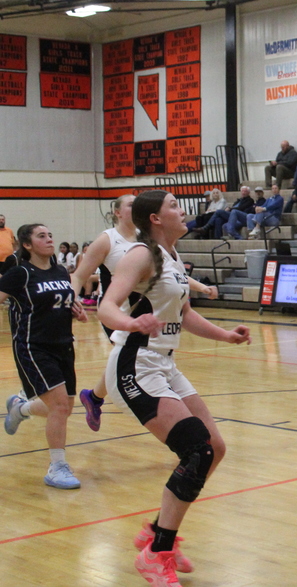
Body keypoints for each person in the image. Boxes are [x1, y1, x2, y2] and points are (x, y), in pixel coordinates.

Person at [98, 190, 250, 586]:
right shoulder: (140, 254)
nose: (182, 211)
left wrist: (226, 336)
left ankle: (155, 533)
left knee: (214, 447)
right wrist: (130, 323)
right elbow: (107, 306)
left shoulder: (173, 258)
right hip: (135, 364)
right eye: (173, 206)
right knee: (196, 447)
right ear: (155, 219)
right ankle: (157, 552)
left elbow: (182, 315)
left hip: (164, 362)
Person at [72, 194, 219, 434]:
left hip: (151, 309)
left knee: (137, 356)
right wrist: (72, 301)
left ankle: (95, 396)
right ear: (118, 212)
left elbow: (171, 274)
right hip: (122, 310)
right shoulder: (108, 240)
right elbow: (79, 275)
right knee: (132, 355)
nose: (135, 205)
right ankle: (110, 398)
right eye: (129, 204)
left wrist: (199, 287)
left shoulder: (155, 243)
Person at [2, 223, 89, 489]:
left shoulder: (61, 270)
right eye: (42, 236)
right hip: (33, 346)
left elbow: (63, 300)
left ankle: (21, 408)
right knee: (60, 406)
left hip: (63, 344)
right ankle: (57, 466)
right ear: (27, 244)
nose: (49, 239)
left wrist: (76, 311)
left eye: (50, 234)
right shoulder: (20, 274)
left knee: (64, 407)